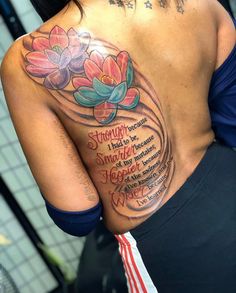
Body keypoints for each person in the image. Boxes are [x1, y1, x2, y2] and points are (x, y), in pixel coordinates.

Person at [1, 0, 236, 292]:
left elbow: (78, 215)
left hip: (168, 247)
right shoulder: (200, 4)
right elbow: (230, 122)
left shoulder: (27, 60)